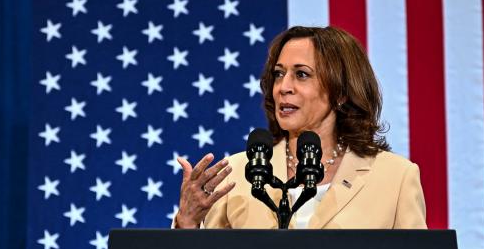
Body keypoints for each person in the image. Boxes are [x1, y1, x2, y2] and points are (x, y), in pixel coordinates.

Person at [173, 25, 426, 229]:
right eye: (279, 74)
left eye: (302, 74)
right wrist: (187, 222)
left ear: (341, 92)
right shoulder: (237, 174)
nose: (284, 87)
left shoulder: (395, 177)